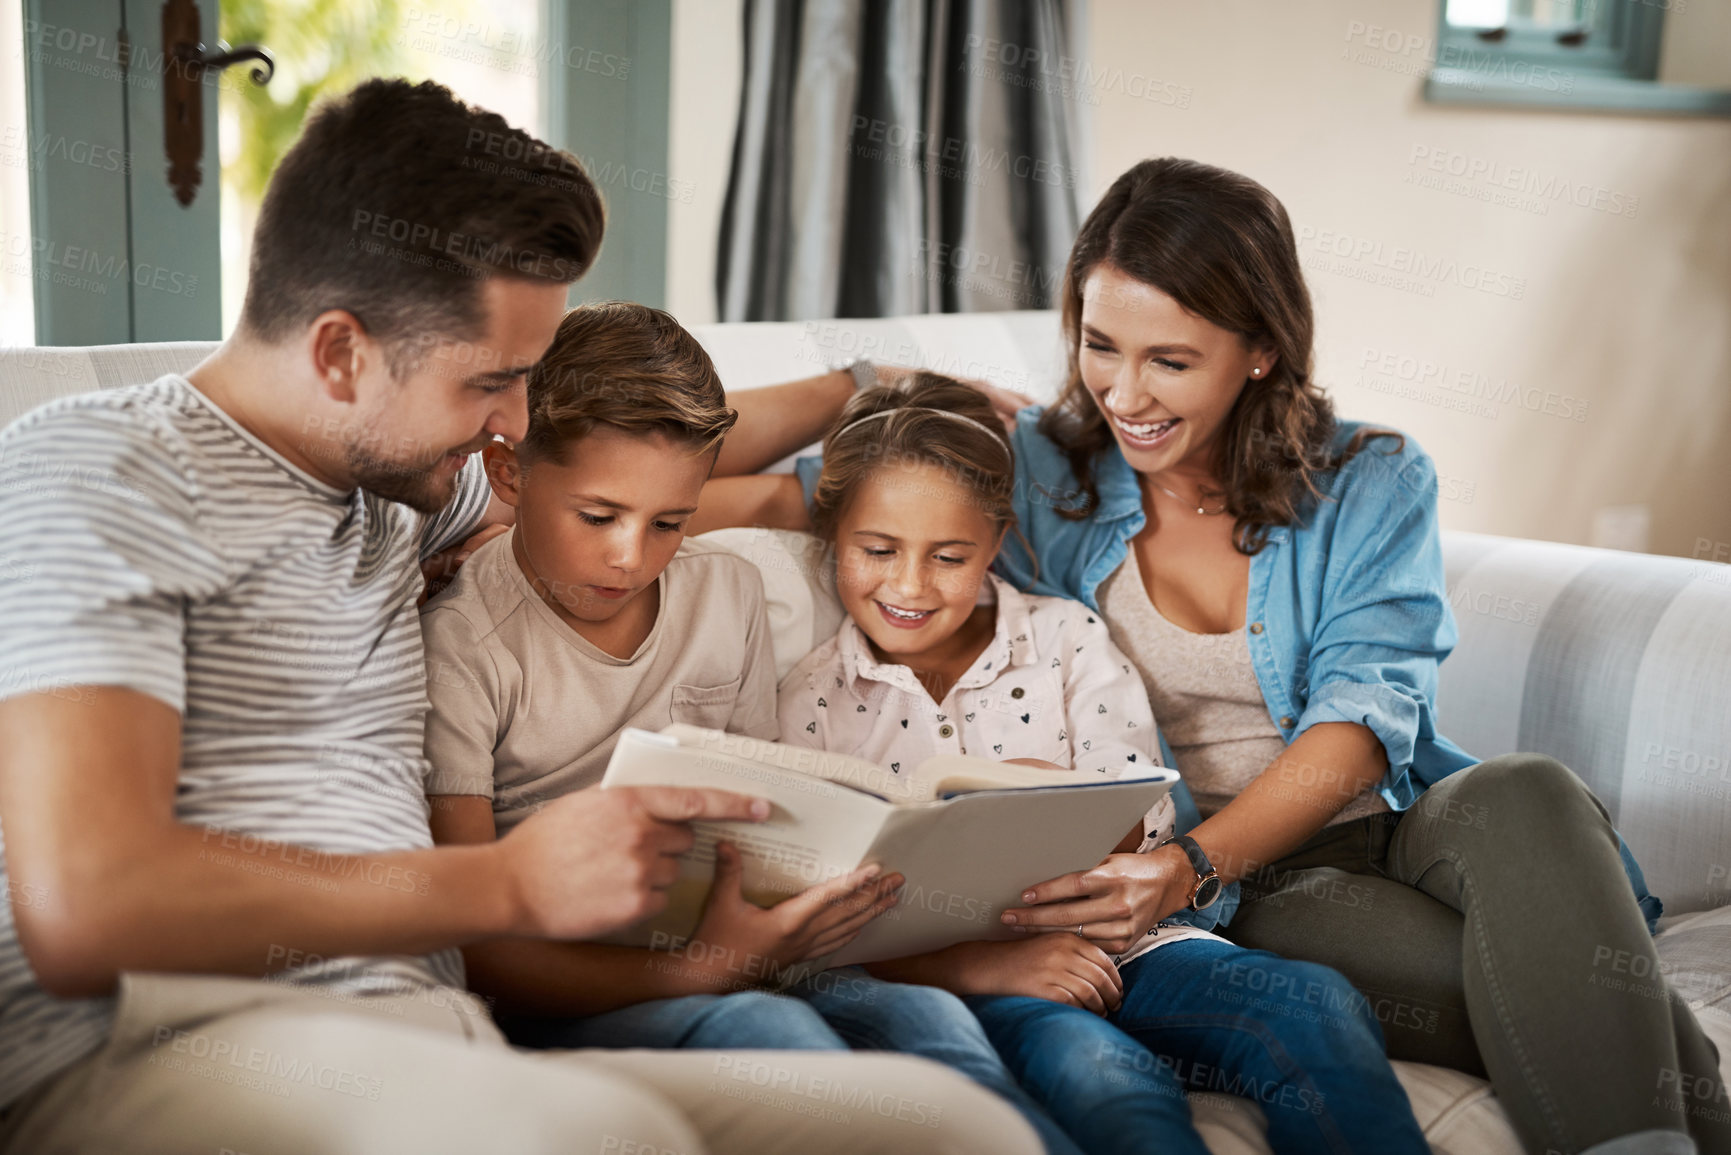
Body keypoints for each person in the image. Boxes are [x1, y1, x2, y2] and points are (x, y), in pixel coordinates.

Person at [0, 78, 1041, 1155]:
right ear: (341, 353)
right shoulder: (101, 466)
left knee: (953, 1130)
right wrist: (505, 880)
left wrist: (851, 386)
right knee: (594, 1135)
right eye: (492, 384)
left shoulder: (400, 480)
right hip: (165, 1038)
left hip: (429, 1039)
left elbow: (632, 453)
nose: (514, 426)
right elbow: (89, 906)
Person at [697, 157, 1729, 1155]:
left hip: (1383, 822)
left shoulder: (1369, 479)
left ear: (1261, 351)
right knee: (1605, 1009)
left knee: (1530, 788)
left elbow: (1364, 726)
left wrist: (1182, 868)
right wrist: (860, 379)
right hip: (1273, 882)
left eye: (1172, 361)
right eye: (1101, 346)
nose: (1125, 394)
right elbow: (687, 483)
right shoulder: (1035, 473)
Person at [420, 302, 1082, 1155]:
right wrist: (703, 968)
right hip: (581, 987)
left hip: (744, 945)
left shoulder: (724, 591)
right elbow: (473, 941)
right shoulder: (463, 646)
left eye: (669, 521)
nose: (631, 555)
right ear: (507, 476)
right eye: (598, 516)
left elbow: (765, 813)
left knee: (934, 1022)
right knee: (790, 1049)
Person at [776, 372, 1431, 1155]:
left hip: (1139, 948)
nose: (910, 585)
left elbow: (1145, 815)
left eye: (949, 556)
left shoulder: (1062, 638)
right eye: (877, 550)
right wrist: (981, 964)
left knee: (1313, 1003)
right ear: (832, 537)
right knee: (1102, 1071)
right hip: (971, 979)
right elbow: (810, 914)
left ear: (996, 539)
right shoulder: (811, 696)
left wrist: (1041, 795)